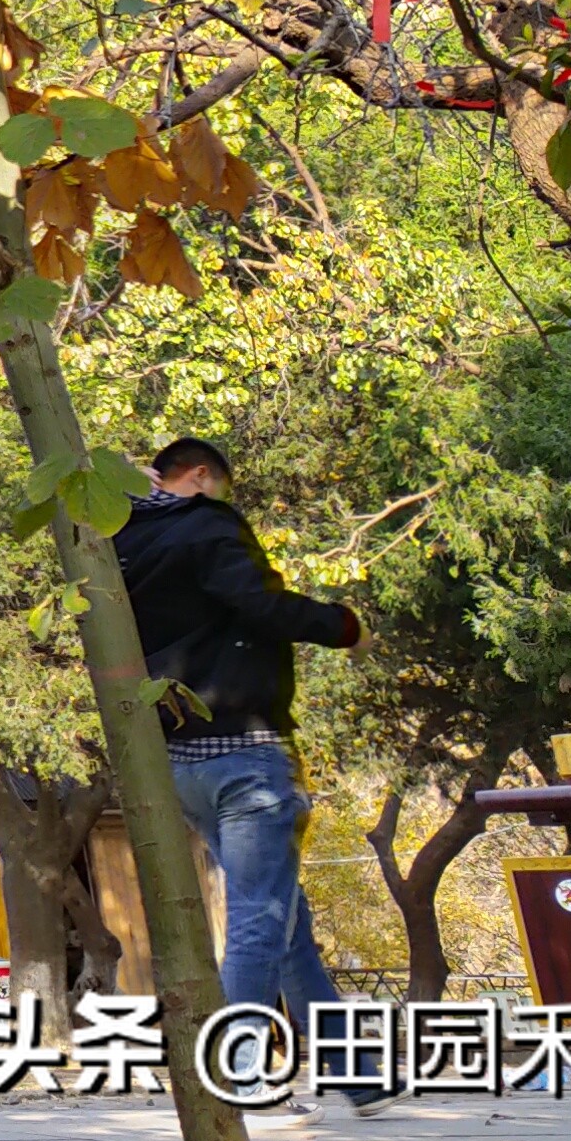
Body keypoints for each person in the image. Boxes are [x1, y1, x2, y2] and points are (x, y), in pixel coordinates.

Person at [114, 436, 375, 1107]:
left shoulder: (122, 541)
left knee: (285, 920)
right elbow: (260, 603)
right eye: (221, 489)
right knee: (261, 915)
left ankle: (359, 1074)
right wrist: (343, 626)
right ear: (200, 475)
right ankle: (238, 1074)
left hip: (182, 757)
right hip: (245, 750)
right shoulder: (208, 524)